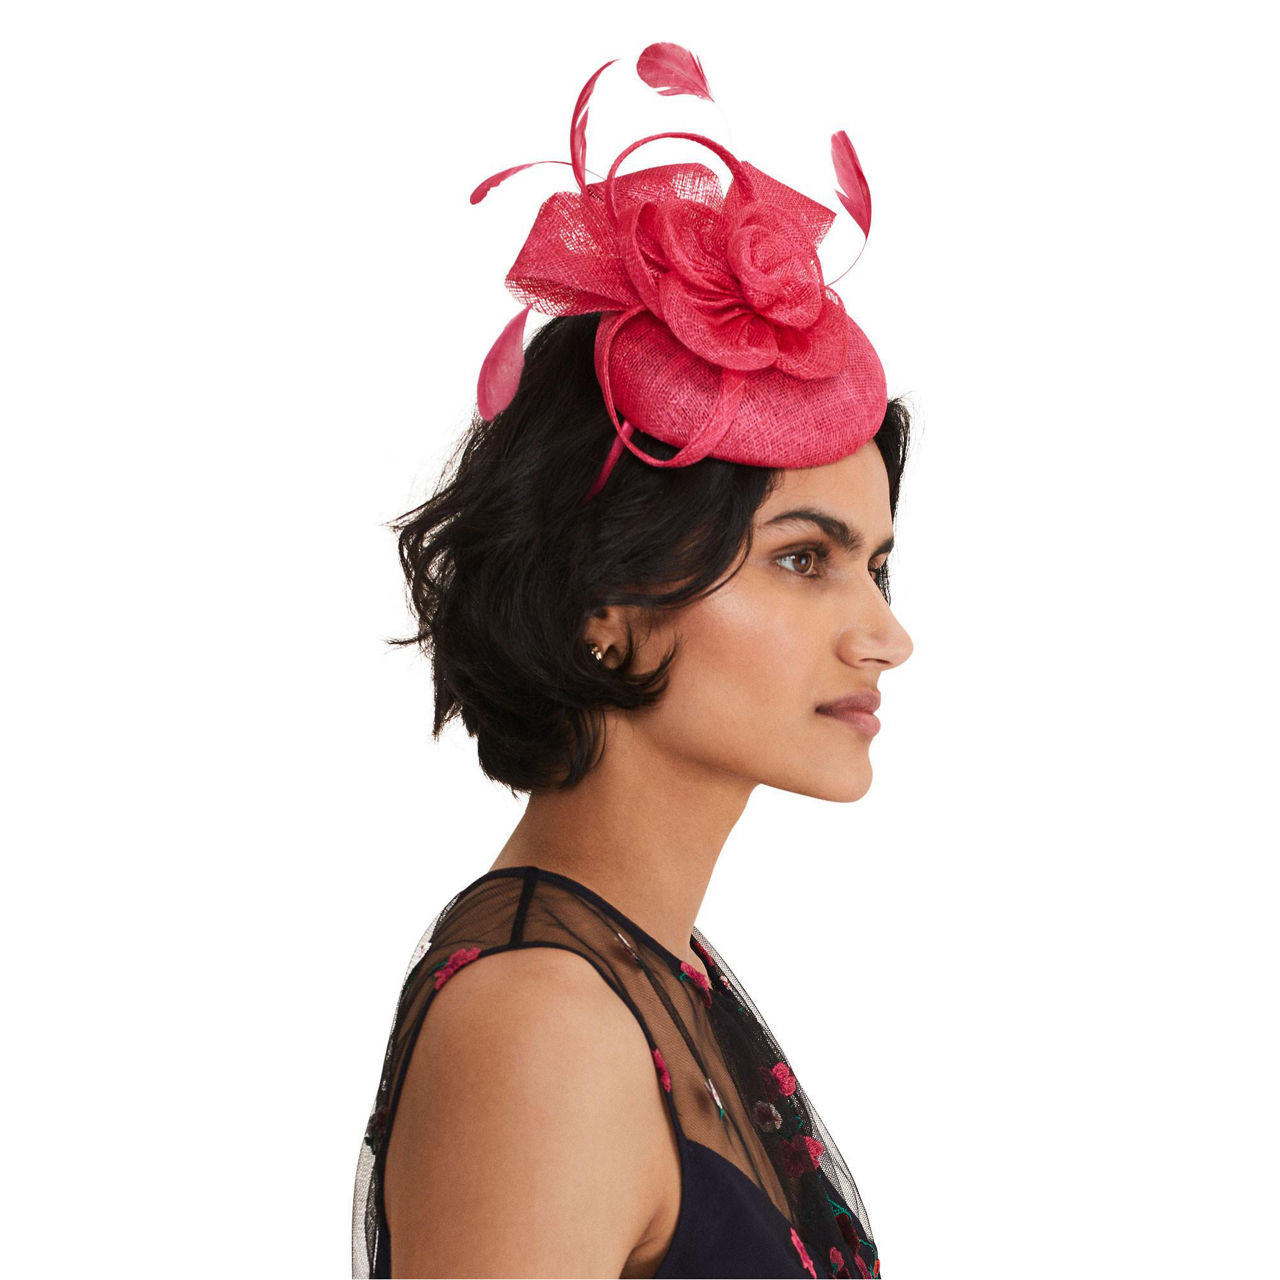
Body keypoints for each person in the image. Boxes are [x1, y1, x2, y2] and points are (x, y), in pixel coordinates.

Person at [354, 43, 912, 1279]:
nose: (884, 632)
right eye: (803, 558)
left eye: (876, 564)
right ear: (605, 601)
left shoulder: (659, 971)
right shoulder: (545, 1026)